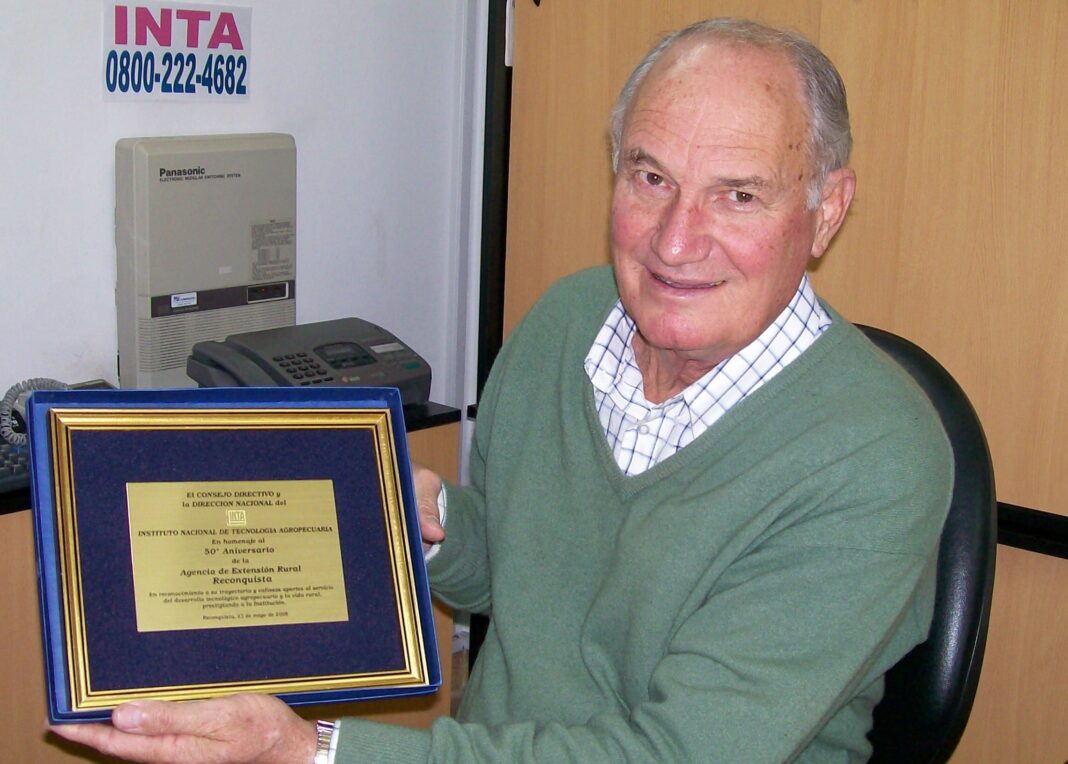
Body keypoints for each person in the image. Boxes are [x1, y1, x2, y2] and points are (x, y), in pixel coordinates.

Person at [52, 17, 951, 763]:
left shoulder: (875, 450)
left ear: (826, 210)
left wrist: (313, 751)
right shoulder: (570, 321)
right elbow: (529, 582)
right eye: (650, 178)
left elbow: (681, 752)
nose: (676, 243)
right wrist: (437, 528)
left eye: (738, 196)